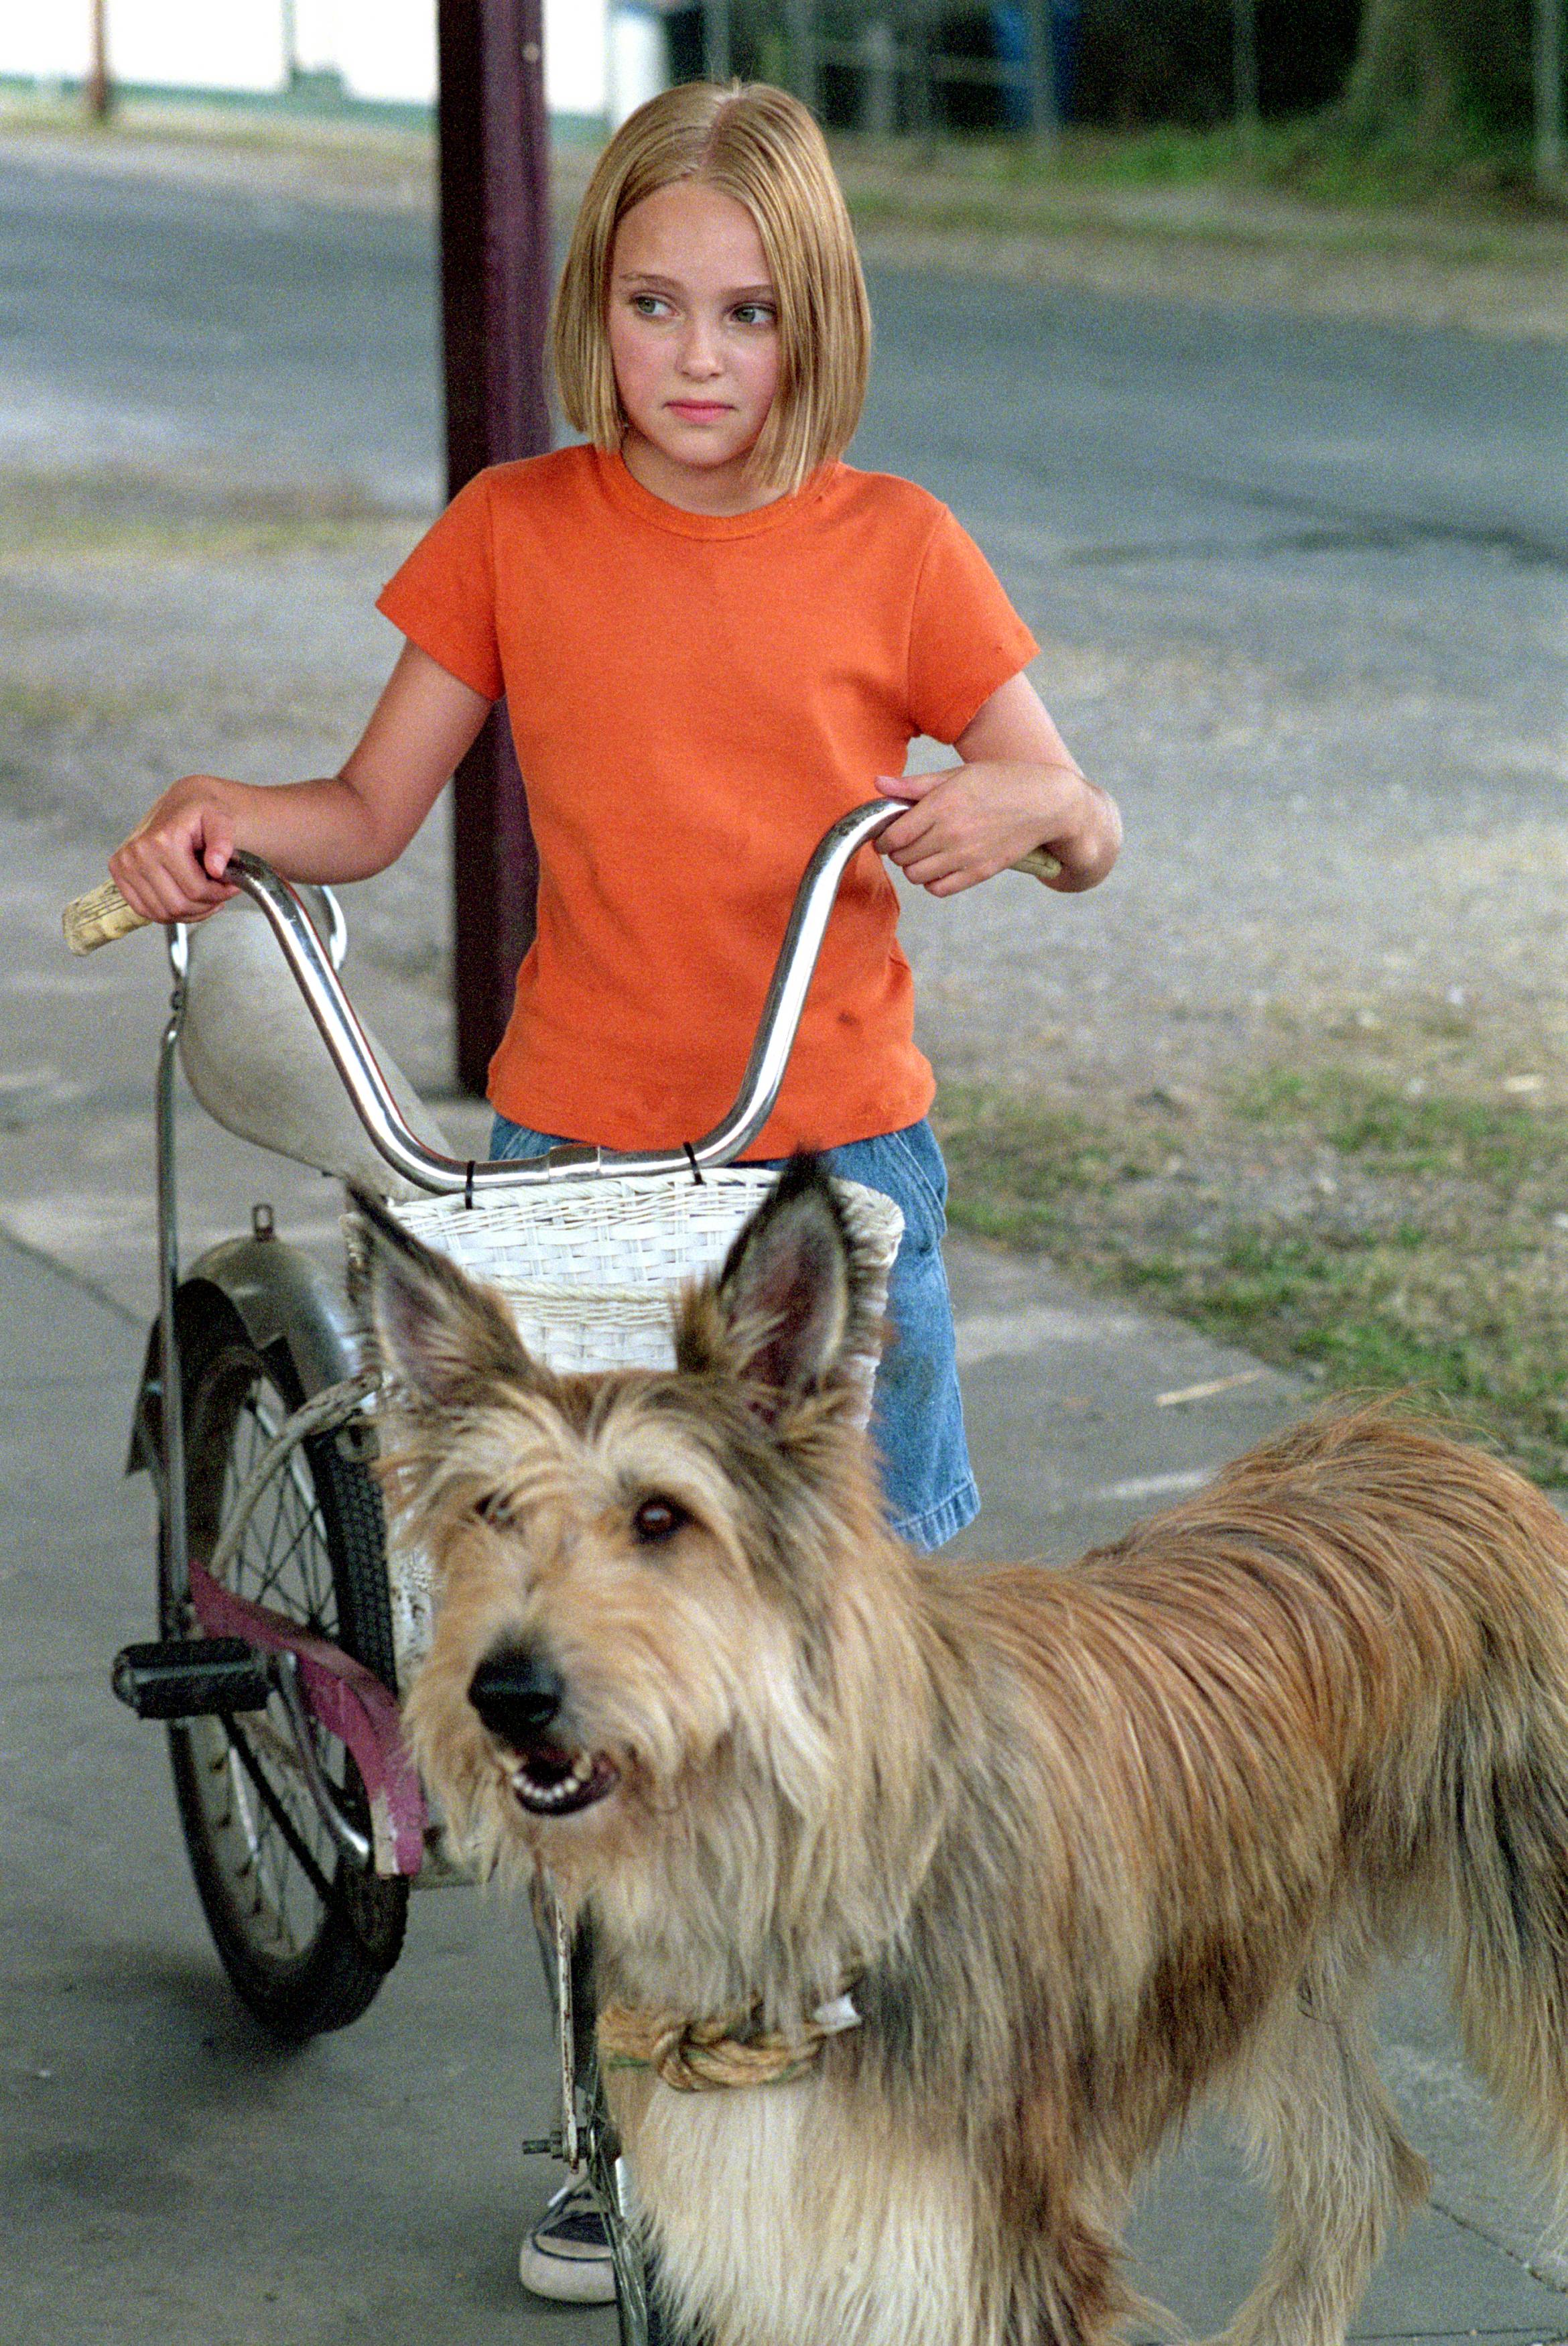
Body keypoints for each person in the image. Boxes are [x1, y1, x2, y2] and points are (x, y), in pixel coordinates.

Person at [109, 79, 1121, 2304]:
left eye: (745, 314)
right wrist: (227, 817)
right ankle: (611, 2128)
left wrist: (1005, 797)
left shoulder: (899, 548)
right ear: (594, 309)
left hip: (828, 1168)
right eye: (652, 304)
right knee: (575, 1684)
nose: (694, 357)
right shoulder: (517, 531)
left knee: (854, 1654)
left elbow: (1082, 810)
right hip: (579, 1170)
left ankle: (870, 2076)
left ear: (812, 323)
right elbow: (370, 808)